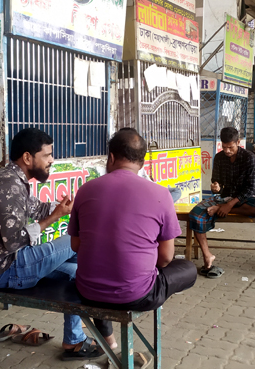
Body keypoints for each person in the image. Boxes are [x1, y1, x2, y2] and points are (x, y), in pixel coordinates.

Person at [0, 128, 104, 360]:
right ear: (27, 157)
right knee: (77, 241)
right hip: (4, 269)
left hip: (10, 263)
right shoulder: (8, 183)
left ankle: (74, 341)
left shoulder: (14, 180)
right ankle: (110, 287)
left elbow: (37, 208)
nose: (51, 160)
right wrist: (53, 218)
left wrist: (62, 208)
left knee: (77, 271)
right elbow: (12, 241)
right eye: (47, 154)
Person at [69, 128, 197, 345]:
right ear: (143, 161)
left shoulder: (85, 190)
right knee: (189, 269)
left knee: (103, 273)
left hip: (87, 291)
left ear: (110, 157)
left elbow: (75, 245)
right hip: (138, 295)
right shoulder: (160, 194)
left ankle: (108, 339)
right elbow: (165, 258)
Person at [188, 127, 255, 279]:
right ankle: (207, 256)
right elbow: (217, 185)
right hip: (224, 198)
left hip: (244, 199)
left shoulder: (248, 157)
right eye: (224, 147)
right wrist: (215, 186)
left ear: (238, 142)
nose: (227, 151)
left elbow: (251, 188)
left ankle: (219, 209)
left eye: (230, 147)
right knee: (195, 215)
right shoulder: (219, 158)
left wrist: (228, 206)